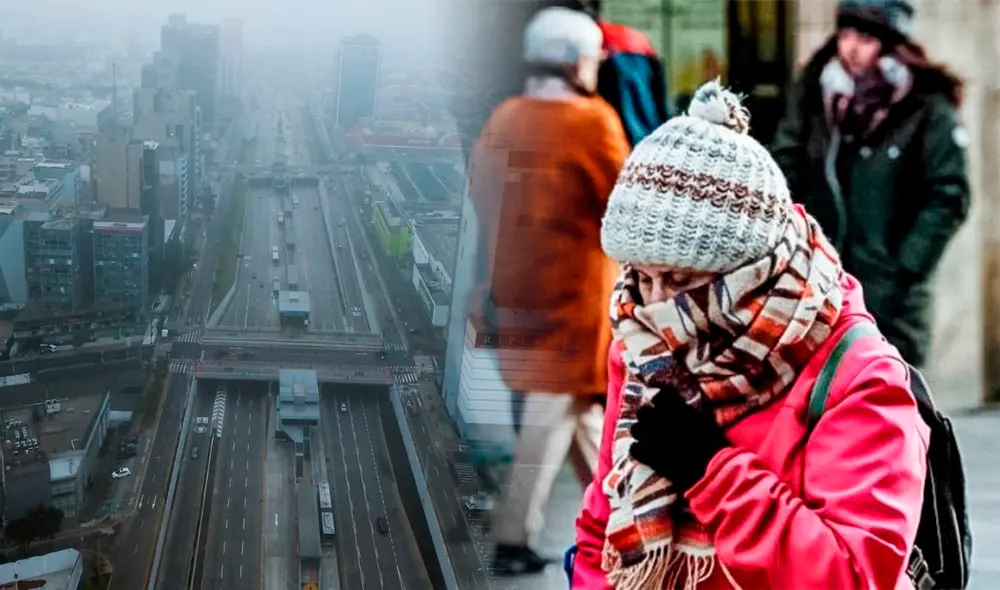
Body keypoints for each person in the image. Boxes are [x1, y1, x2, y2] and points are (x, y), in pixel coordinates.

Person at [569, 80, 929, 589]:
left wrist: (708, 470)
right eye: (641, 276)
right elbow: (599, 531)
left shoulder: (859, 373)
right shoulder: (641, 340)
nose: (656, 304)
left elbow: (854, 575)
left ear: (751, 272)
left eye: (682, 281)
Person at [465, 6, 631, 576]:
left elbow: (482, 194)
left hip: (515, 286)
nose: (597, 66)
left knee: (583, 415)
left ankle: (622, 520)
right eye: (592, 57)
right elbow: (625, 206)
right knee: (549, 413)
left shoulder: (505, 117)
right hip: (575, 296)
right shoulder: (593, 121)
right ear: (571, 62)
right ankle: (513, 537)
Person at [771, 0, 970, 367]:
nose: (852, 46)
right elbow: (786, 165)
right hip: (820, 286)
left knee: (894, 405)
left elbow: (949, 195)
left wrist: (905, 267)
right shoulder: (816, 95)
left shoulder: (926, 107)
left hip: (892, 298)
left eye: (865, 36)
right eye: (845, 33)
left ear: (891, 42)